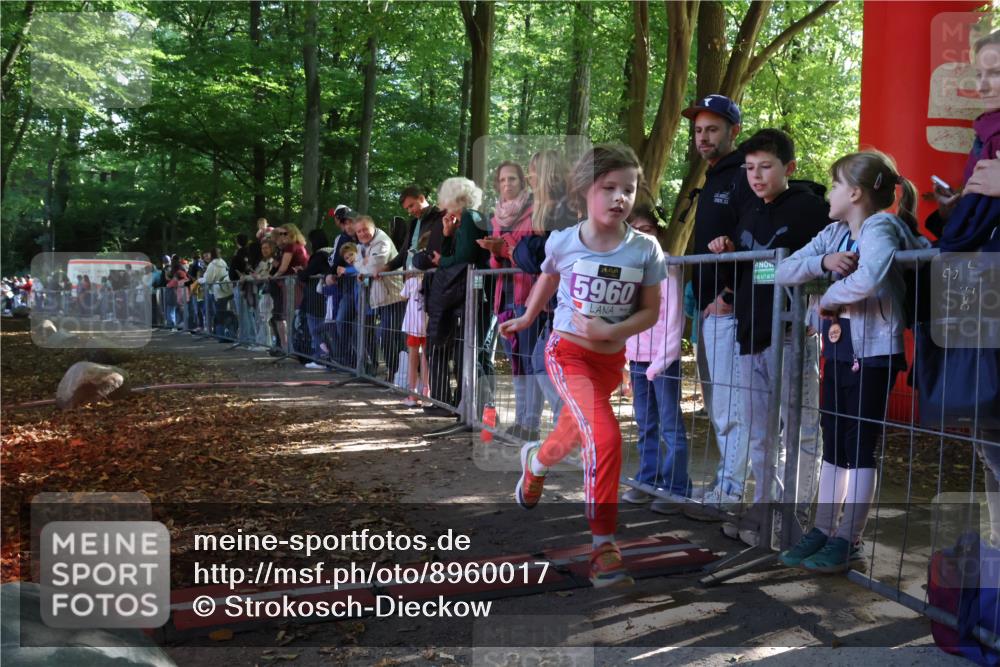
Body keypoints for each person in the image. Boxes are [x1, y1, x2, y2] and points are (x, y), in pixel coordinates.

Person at [499, 144, 666, 588]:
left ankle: (535, 463)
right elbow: (549, 275)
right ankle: (603, 547)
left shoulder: (645, 250)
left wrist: (613, 332)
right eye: (608, 188)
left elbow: (650, 311)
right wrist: (530, 316)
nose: (619, 198)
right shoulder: (564, 240)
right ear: (584, 193)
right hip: (566, 355)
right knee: (606, 437)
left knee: (572, 433)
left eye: (628, 189)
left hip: (609, 361)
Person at [775, 150, 929, 572]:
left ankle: (849, 539)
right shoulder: (834, 233)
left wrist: (827, 297)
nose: (830, 193)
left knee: (859, 447)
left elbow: (872, 273)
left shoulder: (881, 226)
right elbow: (780, 270)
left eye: (836, 185)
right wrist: (820, 262)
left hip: (875, 351)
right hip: (838, 349)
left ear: (856, 193)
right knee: (836, 441)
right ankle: (823, 530)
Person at [705, 129, 828, 546]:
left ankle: (798, 517)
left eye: (766, 167)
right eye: (750, 168)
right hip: (750, 336)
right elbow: (747, 271)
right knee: (760, 432)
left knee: (802, 428)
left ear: (788, 168)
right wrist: (726, 249)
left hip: (792, 335)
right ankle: (766, 510)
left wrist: (819, 307)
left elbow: (832, 259)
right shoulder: (749, 213)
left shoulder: (812, 210)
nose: (756, 176)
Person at [680, 94, 755, 520]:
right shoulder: (713, 178)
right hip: (707, 310)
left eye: (712, 129)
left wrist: (726, 296)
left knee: (731, 406)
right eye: (698, 130)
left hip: (729, 311)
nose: (703, 137)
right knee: (718, 402)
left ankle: (731, 490)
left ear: (733, 131)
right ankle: (729, 480)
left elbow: (753, 242)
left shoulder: (744, 174)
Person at [622, 205, 689, 514]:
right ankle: (647, 480)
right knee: (646, 423)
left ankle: (676, 487)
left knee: (670, 425)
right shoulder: (630, 272)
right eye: (634, 232)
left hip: (662, 363)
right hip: (636, 361)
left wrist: (659, 363)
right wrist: (626, 358)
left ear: (658, 233)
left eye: (646, 231)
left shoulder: (667, 271)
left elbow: (674, 323)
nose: (641, 237)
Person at [478, 161, 542, 441]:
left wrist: (505, 247)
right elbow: (496, 263)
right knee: (514, 362)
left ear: (522, 182)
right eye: (502, 180)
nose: (507, 184)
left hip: (528, 296)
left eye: (512, 179)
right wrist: (496, 251)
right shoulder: (496, 218)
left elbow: (533, 256)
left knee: (528, 361)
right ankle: (520, 420)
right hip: (503, 297)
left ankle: (531, 424)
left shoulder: (536, 212)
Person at [355, 216, 405, 380]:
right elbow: (357, 264)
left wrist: (365, 266)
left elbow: (375, 266)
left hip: (395, 296)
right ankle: (397, 372)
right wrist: (364, 265)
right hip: (381, 297)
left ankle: (398, 373)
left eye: (365, 229)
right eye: (359, 231)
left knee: (390, 335)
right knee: (389, 336)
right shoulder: (362, 246)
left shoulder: (382, 241)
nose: (362, 233)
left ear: (373, 227)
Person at [401, 234, 431, 407]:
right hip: (426, 325)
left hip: (413, 325)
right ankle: (426, 392)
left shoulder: (412, 280)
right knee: (425, 358)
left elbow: (403, 296)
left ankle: (412, 395)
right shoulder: (432, 279)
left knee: (413, 358)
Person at [299, 229, 335, 370]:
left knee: (316, 329)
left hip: (316, 299)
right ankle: (328, 356)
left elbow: (306, 275)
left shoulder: (319, 256)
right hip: (328, 298)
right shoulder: (332, 252)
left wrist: (300, 272)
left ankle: (321, 357)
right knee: (328, 330)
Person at [271, 223, 309, 352]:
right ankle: (293, 347)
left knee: (292, 315)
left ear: (292, 233)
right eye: (280, 233)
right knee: (295, 315)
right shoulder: (300, 246)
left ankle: (292, 348)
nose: (282, 236)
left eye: (285, 233)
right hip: (297, 283)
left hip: (293, 284)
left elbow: (283, 267)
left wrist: (273, 276)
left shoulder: (291, 247)